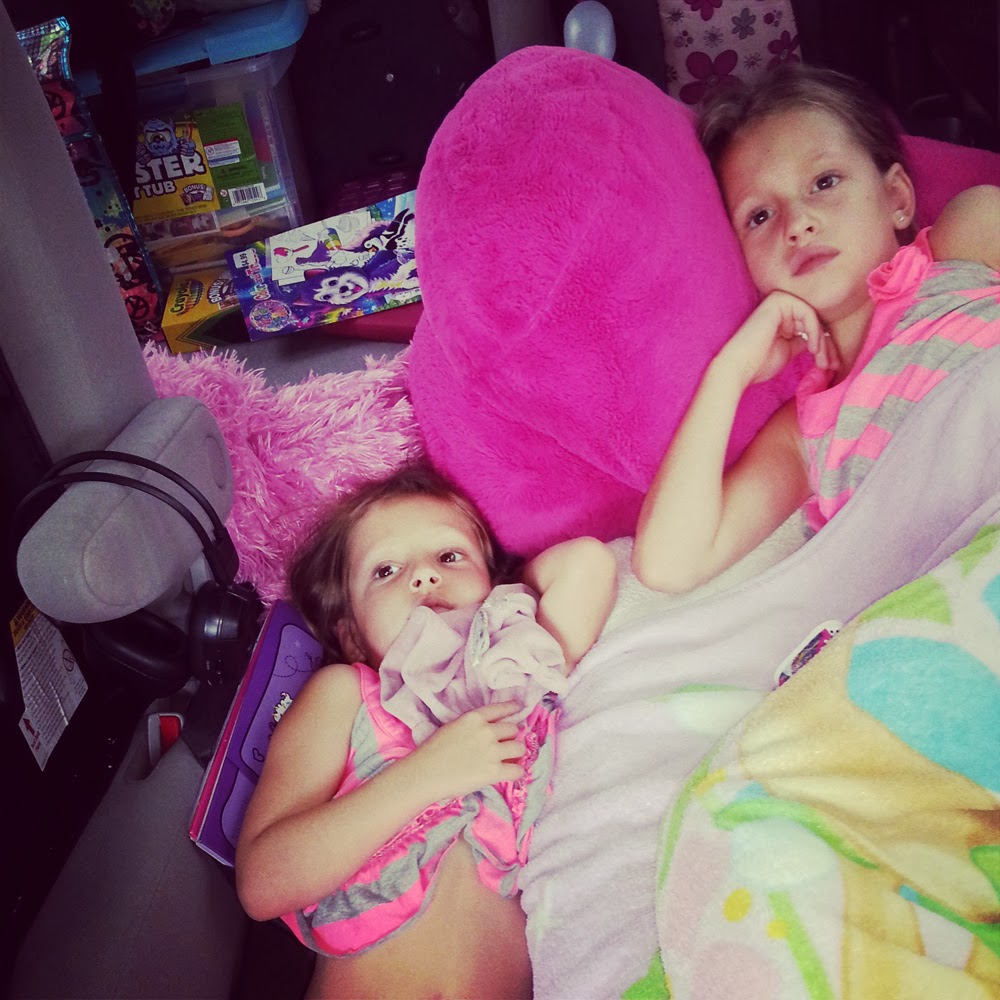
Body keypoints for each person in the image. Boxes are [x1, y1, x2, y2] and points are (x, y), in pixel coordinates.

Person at [235, 461, 617, 999]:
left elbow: (588, 564)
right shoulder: (346, 695)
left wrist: (498, 613)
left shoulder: (518, 683)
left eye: (449, 556)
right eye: (386, 570)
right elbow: (263, 884)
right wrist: (428, 774)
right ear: (351, 634)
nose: (424, 577)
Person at [633, 64, 1000, 594]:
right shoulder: (808, 430)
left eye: (824, 182)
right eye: (760, 216)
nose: (797, 223)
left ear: (897, 199)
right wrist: (729, 371)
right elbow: (670, 563)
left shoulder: (965, 242)